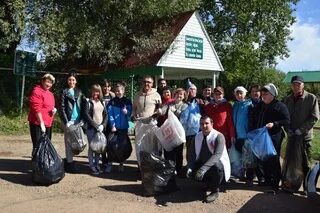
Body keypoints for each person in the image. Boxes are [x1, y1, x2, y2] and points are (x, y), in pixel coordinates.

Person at [251, 83, 290, 192]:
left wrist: (275, 123)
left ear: (272, 94)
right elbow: (254, 114)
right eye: (262, 94)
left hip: (274, 136)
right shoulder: (261, 105)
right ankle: (267, 180)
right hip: (262, 137)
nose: (263, 96)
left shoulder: (280, 105)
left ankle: (275, 184)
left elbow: (286, 120)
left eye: (265, 94)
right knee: (264, 159)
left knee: (273, 159)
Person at [283, 76, 319, 190]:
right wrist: (287, 128)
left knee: (306, 163)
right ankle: (292, 184)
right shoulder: (287, 99)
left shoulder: (311, 98)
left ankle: (308, 187)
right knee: (291, 162)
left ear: (303, 85)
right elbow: (285, 117)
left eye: (298, 84)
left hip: (305, 137)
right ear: (291, 85)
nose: (296, 86)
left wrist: (301, 130)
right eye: (294, 84)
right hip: (292, 136)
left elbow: (314, 117)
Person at [186, 116, 231, 203]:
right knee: (186, 170)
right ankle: (209, 184)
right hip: (203, 164)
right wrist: (190, 167)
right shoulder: (197, 137)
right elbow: (192, 154)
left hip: (217, 166)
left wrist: (203, 169)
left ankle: (215, 190)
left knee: (217, 167)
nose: (204, 126)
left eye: (207, 123)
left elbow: (217, 155)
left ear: (212, 124)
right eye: (202, 124)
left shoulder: (218, 136)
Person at [59, 73, 85, 173]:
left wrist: (83, 119)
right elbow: (62, 107)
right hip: (69, 120)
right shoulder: (64, 92)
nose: (71, 82)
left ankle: (69, 159)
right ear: (67, 81)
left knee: (80, 141)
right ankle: (70, 163)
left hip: (78, 120)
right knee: (68, 142)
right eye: (70, 80)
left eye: (73, 80)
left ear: (76, 81)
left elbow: (83, 106)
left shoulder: (79, 91)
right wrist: (66, 121)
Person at [160, 88, 188, 175]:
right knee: (168, 150)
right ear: (174, 95)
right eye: (177, 94)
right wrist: (160, 110)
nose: (179, 96)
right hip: (169, 131)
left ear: (184, 96)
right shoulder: (169, 104)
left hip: (179, 132)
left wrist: (175, 111)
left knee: (178, 152)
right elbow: (162, 111)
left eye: (181, 94)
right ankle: (169, 168)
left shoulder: (185, 106)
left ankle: (178, 169)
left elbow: (184, 117)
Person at [28, 73, 56, 156]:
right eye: (47, 82)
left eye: (50, 83)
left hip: (48, 123)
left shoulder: (50, 94)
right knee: (37, 145)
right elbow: (36, 108)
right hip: (37, 123)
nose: (49, 84)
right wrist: (41, 123)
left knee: (46, 145)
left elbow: (50, 106)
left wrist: (53, 111)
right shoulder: (37, 91)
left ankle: (43, 164)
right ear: (42, 81)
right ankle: (36, 165)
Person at [107, 83, 132, 173]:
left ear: (123, 91)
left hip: (124, 128)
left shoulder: (127, 101)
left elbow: (130, 114)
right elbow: (110, 115)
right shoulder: (112, 102)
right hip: (115, 128)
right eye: (116, 91)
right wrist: (113, 125)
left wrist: (127, 112)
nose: (118, 92)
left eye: (120, 90)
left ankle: (121, 163)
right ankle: (109, 164)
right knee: (111, 146)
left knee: (123, 147)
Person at [83, 84, 108, 174]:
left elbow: (106, 115)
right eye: (94, 91)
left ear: (99, 92)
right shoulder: (88, 101)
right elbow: (86, 115)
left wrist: (103, 125)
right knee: (91, 147)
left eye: (97, 91)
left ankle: (97, 164)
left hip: (101, 129)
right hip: (91, 128)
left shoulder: (102, 101)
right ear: (91, 91)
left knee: (98, 147)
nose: (95, 93)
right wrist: (96, 126)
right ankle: (92, 166)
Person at [232, 86, 253, 183]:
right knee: (239, 157)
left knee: (248, 158)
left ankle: (249, 178)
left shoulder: (249, 105)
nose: (239, 95)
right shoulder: (235, 105)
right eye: (237, 93)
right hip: (237, 135)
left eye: (241, 93)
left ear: (245, 94)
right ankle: (240, 174)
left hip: (246, 136)